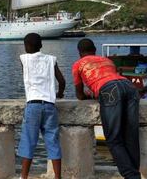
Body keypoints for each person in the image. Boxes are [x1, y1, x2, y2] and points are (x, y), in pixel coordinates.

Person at [73, 38, 140, 179]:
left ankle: (132, 176)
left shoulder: (78, 64)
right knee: (131, 136)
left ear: (79, 53)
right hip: (129, 87)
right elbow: (113, 78)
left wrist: (89, 94)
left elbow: (79, 95)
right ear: (95, 51)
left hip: (110, 90)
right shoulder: (107, 60)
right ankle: (134, 174)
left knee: (113, 138)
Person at [18, 33, 66, 179]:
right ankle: (58, 177)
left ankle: (24, 177)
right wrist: (59, 93)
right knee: (52, 141)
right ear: (41, 45)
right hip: (49, 105)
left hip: (33, 105)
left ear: (26, 46)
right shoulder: (51, 60)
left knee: (29, 141)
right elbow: (62, 81)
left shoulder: (23, 59)